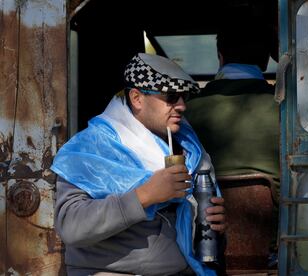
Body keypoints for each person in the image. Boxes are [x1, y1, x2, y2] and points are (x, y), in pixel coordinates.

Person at [51, 53, 226, 276]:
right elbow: (71, 226)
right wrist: (144, 196)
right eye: (171, 97)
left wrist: (217, 229)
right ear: (137, 99)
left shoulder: (189, 146)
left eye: (184, 97)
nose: (181, 106)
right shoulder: (91, 147)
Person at [185, 25, 280, 268]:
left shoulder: (182, 113)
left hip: (198, 246)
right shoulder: (289, 112)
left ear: (220, 57)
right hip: (277, 247)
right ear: (266, 60)